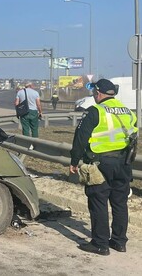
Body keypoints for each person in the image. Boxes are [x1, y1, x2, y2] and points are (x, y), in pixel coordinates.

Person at [69, 78, 138, 256]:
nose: (94, 96)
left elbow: (80, 138)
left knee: (98, 201)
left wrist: (74, 161)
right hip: (123, 163)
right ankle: (119, 242)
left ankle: (100, 244)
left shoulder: (95, 111)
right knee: (120, 203)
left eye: (94, 93)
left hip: (101, 163)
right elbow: (133, 136)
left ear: (98, 93)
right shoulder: (128, 111)